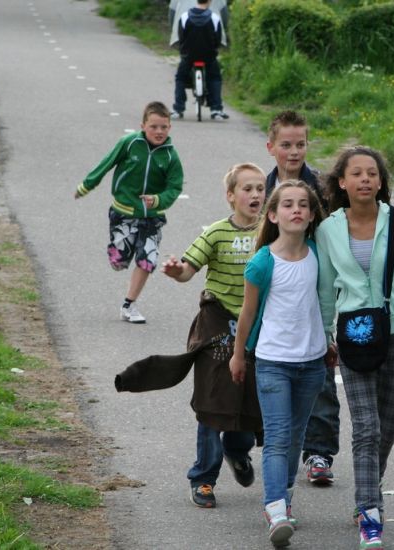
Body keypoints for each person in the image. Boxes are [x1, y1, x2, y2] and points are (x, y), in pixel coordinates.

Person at [316, 146, 394, 550]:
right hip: (353, 335)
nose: (365, 179)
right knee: (366, 427)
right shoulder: (328, 230)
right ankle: (369, 511)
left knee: (387, 427)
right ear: (342, 182)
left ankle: (371, 483)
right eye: (356, 173)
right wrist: (325, 336)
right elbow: (325, 290)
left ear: (381, 181)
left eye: (372, 173)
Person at [229, 181, 334, 548]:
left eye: (303, 205)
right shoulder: (263, 262)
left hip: (312, 363)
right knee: (277, 436)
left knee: (296, 436)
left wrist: (328, 339)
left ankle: (284, 497)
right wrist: (238, 355)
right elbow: (247, 313)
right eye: (287, 205)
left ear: (312, 215)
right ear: (272, 215)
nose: (296, 210)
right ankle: (274, 509)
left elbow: (321, 303)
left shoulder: (319, 255)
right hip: (273, 362)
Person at [160, 163, 266, 508]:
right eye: (247, 189)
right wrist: (176, 271)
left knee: (249, 397)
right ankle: (203, 478)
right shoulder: (217, 233)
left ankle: (237, 450)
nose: (255, 194)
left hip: (258, 327)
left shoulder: (271, 231)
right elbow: (187, 271)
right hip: (217, 325)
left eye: (260, 188)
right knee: (212, 402)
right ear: (231, 195)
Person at [265, 110, 339, 485]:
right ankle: (273, 445)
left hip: (314, 286)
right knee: (273, 371)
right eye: (286, 145)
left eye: (300, 144)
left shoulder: (322, 189)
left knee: (320, 369)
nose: (294, 152)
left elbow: (334, 235)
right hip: (275, 291)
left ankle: (319, 452)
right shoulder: (261, 188)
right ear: (271, 147)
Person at [75, 101, 183, 324]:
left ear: (170, 127)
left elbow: (174, 187)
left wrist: (158, 200)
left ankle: (129, 304)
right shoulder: (129, 143)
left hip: (152, 217)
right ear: (143, 126)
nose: (159, 131)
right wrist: (87, 185)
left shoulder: (171, 157)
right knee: (119, 261)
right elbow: (107, 163)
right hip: (123, 212)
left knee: (147, 259)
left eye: (164, 127)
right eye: (154, 127)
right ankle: (119, 253)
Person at [171, 0, 229, 121]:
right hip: (209, 56)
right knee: (215, 78)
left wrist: (184, 52)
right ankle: (216, 109)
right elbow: (217, 39)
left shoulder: (185, 16)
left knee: (180, 78)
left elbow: (181, 37)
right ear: (209, 1)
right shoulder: (214, 17)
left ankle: (178, 108)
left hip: (188, 56)